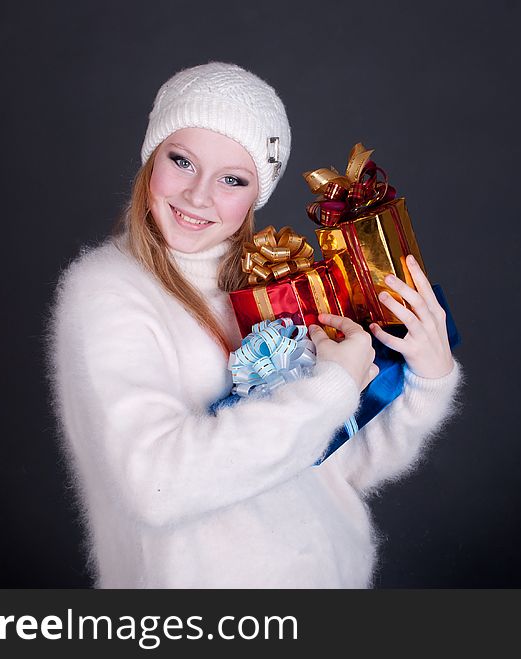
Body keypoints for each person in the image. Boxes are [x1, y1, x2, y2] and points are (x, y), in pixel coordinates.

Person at [46, 62, 463, 588]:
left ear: (255, 195)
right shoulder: (107, 291)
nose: (199, 196)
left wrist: (425, 378)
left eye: (232, 179)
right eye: (182, 161)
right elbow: (155, 485)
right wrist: (331, 385)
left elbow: (339, 465)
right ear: (152, 159)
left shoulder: (268, 285)